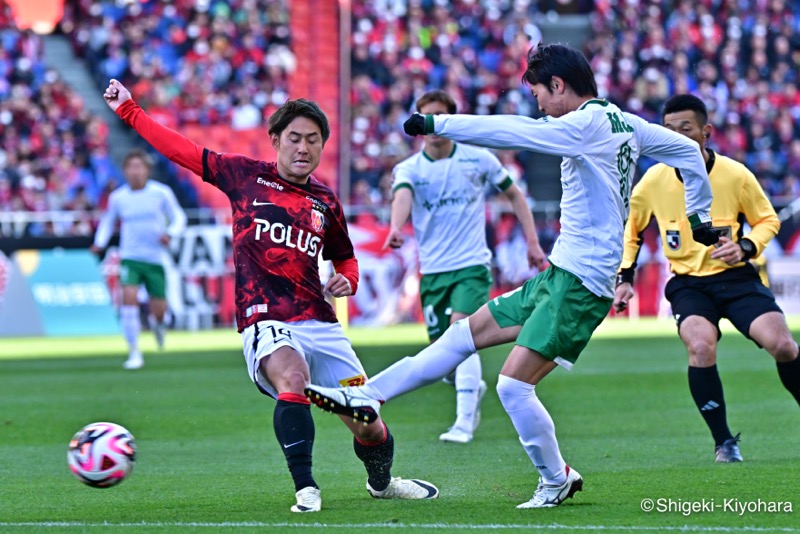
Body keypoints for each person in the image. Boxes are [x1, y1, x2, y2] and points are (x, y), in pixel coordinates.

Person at [305, 44, 719, 509]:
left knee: (512, 386)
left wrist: (438, 123)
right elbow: (687, 149)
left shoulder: (584, 124)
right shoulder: (625, 122)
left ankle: (554, 478)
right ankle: (371, 396)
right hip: (563, 271)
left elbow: (513, 130)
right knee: (463, 336)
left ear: (558, 86)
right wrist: (699, 214)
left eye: (540, 93)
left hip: (582, 284)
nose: (539, 104)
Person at [102, 79, 438, 513]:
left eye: (313, 140)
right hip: (266, 319)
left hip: (319, 322)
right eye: (294, 138)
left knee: (367, 421)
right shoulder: (243, 175)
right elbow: (179, 150)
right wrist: (130, 111)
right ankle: (306, 488)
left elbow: (346, 259)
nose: (303, 147)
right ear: (276, 140)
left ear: (322, 147)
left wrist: (347, 281)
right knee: (292, 378)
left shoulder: (325, 201)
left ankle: (382, 482)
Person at [613, 94, 800, 463]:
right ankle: (724, 442)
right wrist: (625, 277)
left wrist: (745, 246)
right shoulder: (653, 180)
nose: (677, 138)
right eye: (668, 131)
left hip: (737, 278)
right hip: (688, 285)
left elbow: (768, 220)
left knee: (783, 345)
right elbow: (630, 230)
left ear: (706, 132)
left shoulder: (735, 174)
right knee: (700, 346)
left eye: (686, 129)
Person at [385, 90, 546, 443]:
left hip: (472, 265)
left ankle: (463, 422)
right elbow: (403, 195)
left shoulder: (478, 159)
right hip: (433, 271)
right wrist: (397, 227)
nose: (432, 125)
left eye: (439, 116)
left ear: (450, 119)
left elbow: (515, 195)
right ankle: (470, 385)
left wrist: (533, 243)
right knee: (444, 358)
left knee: (462, 334)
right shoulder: (409, 168)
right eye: (425, 117)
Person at [91, 149, 187, 370]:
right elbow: (107, 222)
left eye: (139, 167)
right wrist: (99, 242)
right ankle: (134, 352)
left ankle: (159, 326)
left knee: (159, 310)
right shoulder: (118, 197)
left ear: (147, 170)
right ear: (125, 171)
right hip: (130, 257)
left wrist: (171, 233)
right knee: (128, 299)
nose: (135, 172)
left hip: (155, 258)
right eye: (131, 167)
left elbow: (179, 217)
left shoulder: (161, 193)